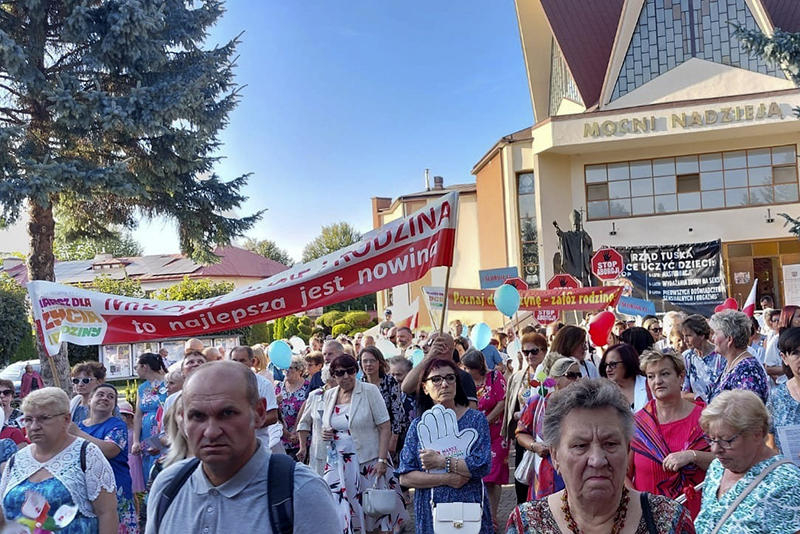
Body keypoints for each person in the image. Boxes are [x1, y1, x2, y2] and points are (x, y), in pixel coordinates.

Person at [144, 361, 340, 534]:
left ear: (259, 412)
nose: (211, 431)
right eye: (198, 416)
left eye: (227, 413)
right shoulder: (168, 485)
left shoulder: (302, 492)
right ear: (182, 419)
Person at [506, 379, 695, 534]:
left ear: (628, 449)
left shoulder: (668, 520)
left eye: (610, 444)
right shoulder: (528, 523)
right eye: (580, 446)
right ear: (555, 456)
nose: (597, 460)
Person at [0, 387, 118, 533]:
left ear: (66, 419)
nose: (34, 426)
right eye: (28, 420)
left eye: (44, 418)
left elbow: (107, 513)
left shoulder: (87, 454)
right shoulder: (16, 460)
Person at [397, 358, 492, 534]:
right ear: (425, 387)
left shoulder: (475, 420)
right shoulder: (419, 426)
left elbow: (482, 465)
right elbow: (405, 477)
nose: (444, 384)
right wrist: (447, 479)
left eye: (450, 378)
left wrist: (442, 462)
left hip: (469, 505)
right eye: (436, 379)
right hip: (430, 509)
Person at [694, 389, 800, 533]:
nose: (715, 449)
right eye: (712, 439)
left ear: (757, 433)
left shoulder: (788, 483)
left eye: (726, 440)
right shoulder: (717, 468)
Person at [322, 354, 407, 533]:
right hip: (338, 463)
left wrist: (382, 460)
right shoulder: (330, 394)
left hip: (368, 460)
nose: (346, 376)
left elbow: (385, 426)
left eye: (350, 371)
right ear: (333, 375)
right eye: (339, 373)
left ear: (356, 371)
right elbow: (329, 423)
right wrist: (326, 431)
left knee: (374, 511)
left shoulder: (369, 390)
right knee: (340, 509)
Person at [628, 349, 713, 518]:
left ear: (681, 377)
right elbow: (623, 473)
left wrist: (693, 456)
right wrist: (638, 506)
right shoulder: (638, 423)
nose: (657, 381)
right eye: (651, 376)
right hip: (650, 519)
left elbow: (726, 463)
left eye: (664, 374)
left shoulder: (705, 418)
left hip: (697, 518)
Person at [72, 384, 138, 534]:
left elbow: (109, 450)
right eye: (100, 394)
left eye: (111, 397)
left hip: (114, 486)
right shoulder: (76, 426)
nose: (105, 398)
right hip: (85, 487)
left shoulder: (117, 425)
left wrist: (77, 434)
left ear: (114, 404)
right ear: (90, 400)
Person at [515, 357, 582, 502]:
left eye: (579, 375)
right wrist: (534, 446)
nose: (576, 380)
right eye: (571, 375)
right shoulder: (537, 403)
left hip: (575, 474)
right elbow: (521, 432)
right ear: (556, 379)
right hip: (544, 477)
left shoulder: (585, 406)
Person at [460, 349, 508, 530]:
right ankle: (480, 513)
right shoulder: (464, 381)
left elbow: (502, 402)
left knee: (493, 475)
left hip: (496, 434)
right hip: (473, 435)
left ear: (477, 367)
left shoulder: (495, 377)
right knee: (478, 474)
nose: (464, 370)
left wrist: (484, 421)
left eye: (467, 367)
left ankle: (493, 516)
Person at [503, 332, 548, 503]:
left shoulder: (548, 376)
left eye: (534, 351)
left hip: (543, 436)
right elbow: (511, 403)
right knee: (521, 480)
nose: (529, 356)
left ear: (544, 351)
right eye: (525, 352)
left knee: (540, 481)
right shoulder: (518, 376)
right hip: (523, 434)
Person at [400, 332, 478, 408]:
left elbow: (471, 410)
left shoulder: (463, 376)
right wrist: (428, 357)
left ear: (444, 348)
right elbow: (406, 388)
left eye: (430, 343)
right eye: (436, 379)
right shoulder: (425, 373)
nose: (423, 347)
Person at [707, 310, 769, 404]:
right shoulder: (730, 363)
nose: (712, 338)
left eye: (715, 333)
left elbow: (747, 413)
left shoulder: (748, 371)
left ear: (729, 339)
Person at [359, 347, 409, 461]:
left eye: (372, 361)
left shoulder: (390, 382)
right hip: (366, 436)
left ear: (379, 363)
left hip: (388, 434)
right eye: (365, 361)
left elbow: (397, 412)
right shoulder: (360, 384)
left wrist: (394, 439)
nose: (368, 364)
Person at [229, 346, 281, 452]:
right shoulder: (224, 385)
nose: (238, 364)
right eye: (235, 360)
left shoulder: (264, 384)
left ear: (252, 362)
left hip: (257, 446)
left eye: (242, 360)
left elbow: (273, 416)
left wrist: (248, 424)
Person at [130, 353, 168, 485]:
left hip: (164, 433)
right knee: (149, 469)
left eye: (137, 367)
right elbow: (138, 415)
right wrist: (136, 440)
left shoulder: (168, 383)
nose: (136, 370)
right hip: (146, 436)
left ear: (144, 367)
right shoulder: (142, 388)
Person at [297, 365, 336, 475]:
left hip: (343, 452)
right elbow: (304, 423)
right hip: (319, 453)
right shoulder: (315, 396)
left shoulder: (347, 395)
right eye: (331, 380)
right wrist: (302, 447)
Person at [766, 327, 800, 456]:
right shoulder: (776, 396)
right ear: (784, 358)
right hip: (789, 471)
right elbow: (769, 439)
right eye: (795, 353)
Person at [681, 314, 725, 403]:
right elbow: (684, 393)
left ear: (701, 335)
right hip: (696, 409)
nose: (685, 340)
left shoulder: (720, 355)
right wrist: (700, 398)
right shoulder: (687, 357)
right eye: (684, 336)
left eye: (688, 335)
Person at [274, 356, 311, 459]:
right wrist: (275, 402)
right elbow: (273, 412)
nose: (287, 371)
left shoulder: (308, 387)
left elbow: (308, 411)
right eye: (285, 368)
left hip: (301, 439)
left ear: (300, 370)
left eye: (290, 368)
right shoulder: (279, 387)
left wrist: (295, 431)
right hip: (282, 437)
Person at [599, 343, 650, 411]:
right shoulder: (604, 392)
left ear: (627, 362)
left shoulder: (649, 385)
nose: (607, 369)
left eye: (613, 364)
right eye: (606, 365)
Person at [763, 304, 800, 386]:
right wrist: (791, 367)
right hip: (786, 385)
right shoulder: (777, 340)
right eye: (799, 316)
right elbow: (768, 368)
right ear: (789, 318)